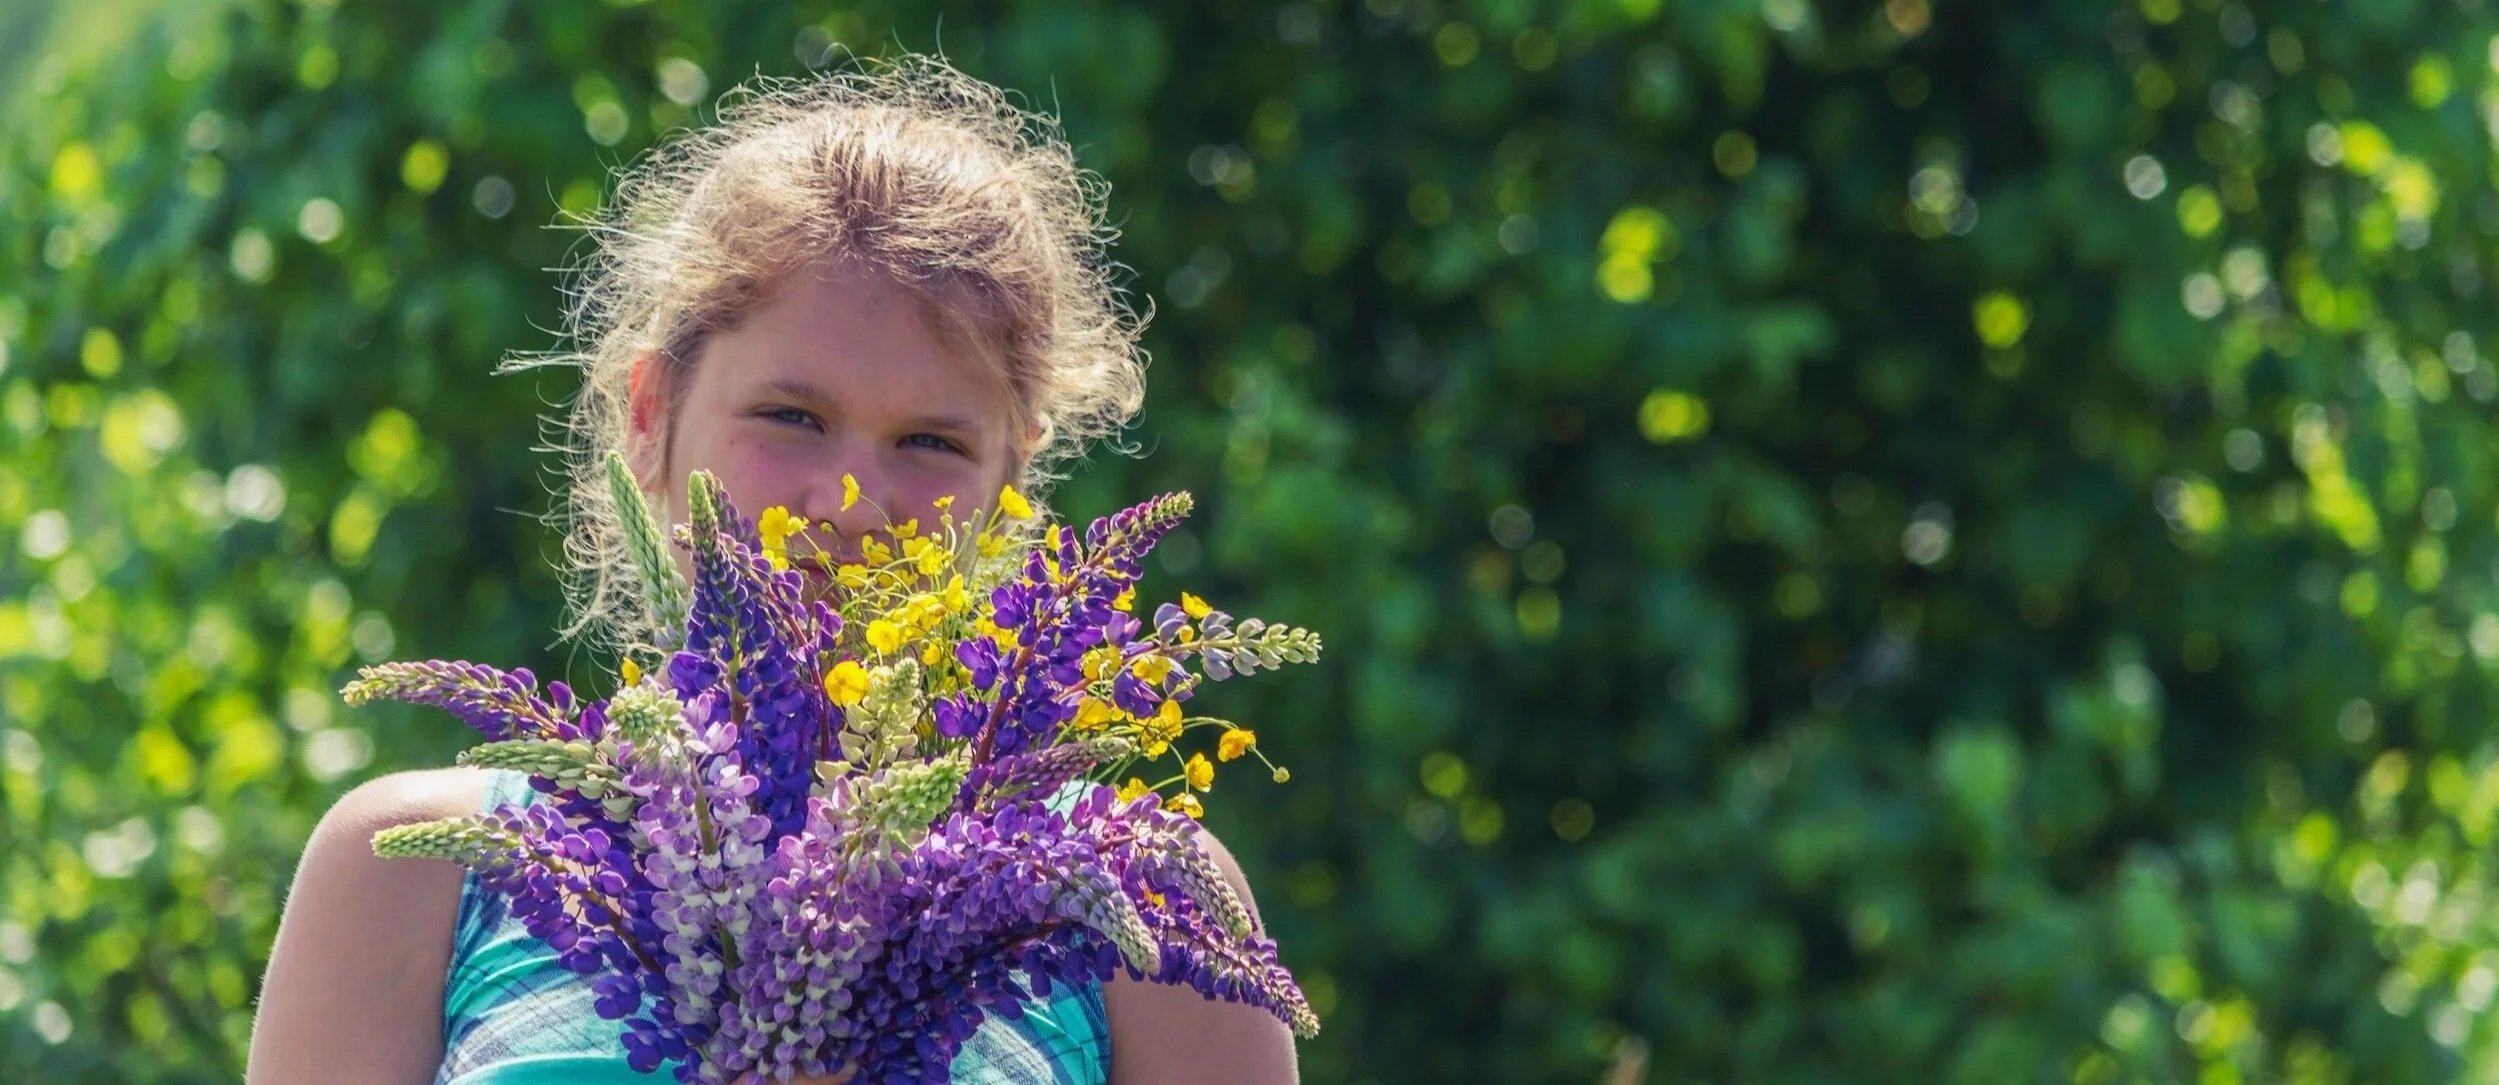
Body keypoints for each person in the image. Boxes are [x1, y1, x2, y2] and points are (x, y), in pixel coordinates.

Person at [245, 54, 1300, 1085]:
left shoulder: (1145, 904)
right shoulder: (421, 868)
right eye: (793, 417)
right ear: (652, 416)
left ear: (1010, 481)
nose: (855, 501)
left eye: (932, 442)